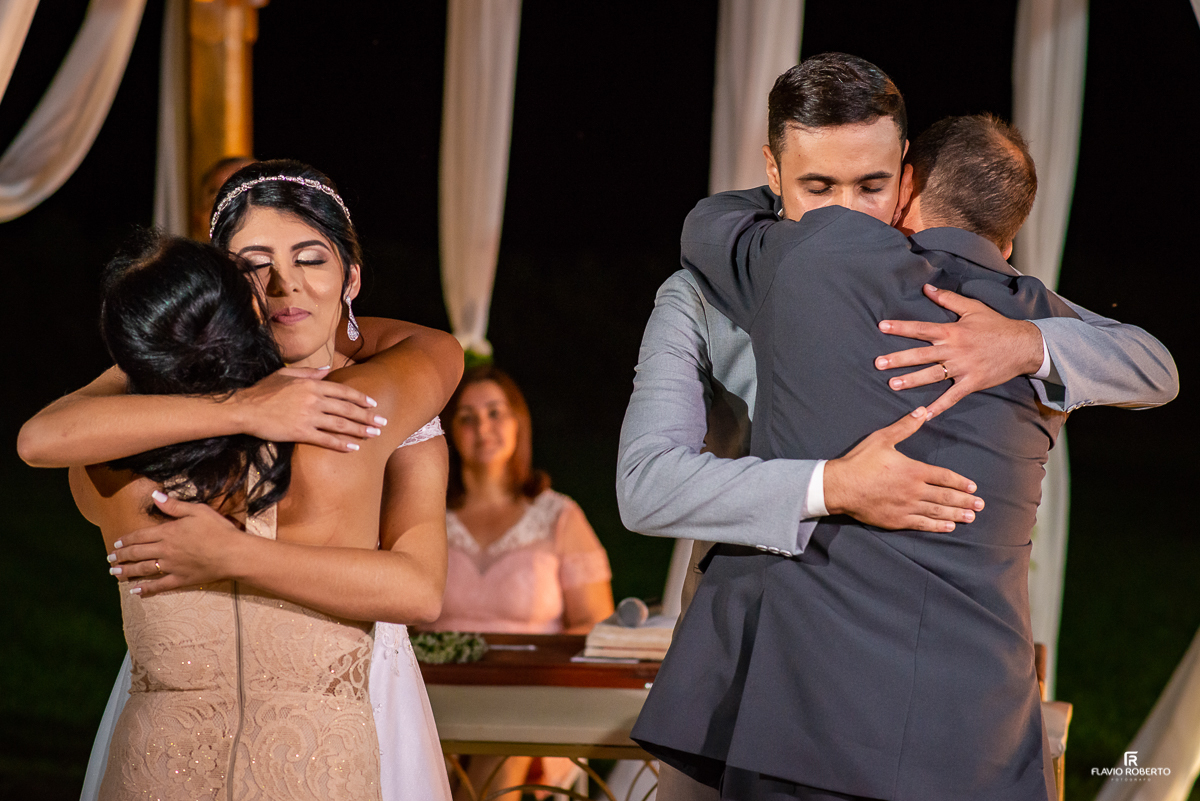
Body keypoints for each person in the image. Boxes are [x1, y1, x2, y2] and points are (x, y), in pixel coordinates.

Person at [616, 54, 1179, 801]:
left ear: (907, 177)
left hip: (949, 708)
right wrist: (831, 486)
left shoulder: (988, 305)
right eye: (818, 186)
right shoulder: (701, 293)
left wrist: (1025, 342)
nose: (847, 213)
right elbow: (648, 484)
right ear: (772, 171)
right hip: (756, 677)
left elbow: (1152, 364)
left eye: (871, 185)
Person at [18, 161, 462, 801]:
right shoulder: (372, 409)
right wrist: (250, 403)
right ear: (221, 285)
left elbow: (44, 437)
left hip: (340, 698)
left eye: (311, 259)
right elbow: (436, 347)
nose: (285, 287)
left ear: (351, 277)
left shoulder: (117, 441)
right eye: (255, 265)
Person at [424, 364, 615, 799]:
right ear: (450, 430)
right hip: (440, 699)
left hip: (538, 703)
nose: (482, 427)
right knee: (435, 752)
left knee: (501, 748)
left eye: (495, 413)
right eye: (467, 416)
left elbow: (596, 624)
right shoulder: (427, 515)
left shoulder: (558, 517)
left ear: (518, 423)